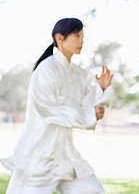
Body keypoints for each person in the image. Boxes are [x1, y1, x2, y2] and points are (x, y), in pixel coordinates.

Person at [1, 18, 114, 194]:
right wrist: (90, 114)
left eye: (83, 36)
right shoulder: (45, 70)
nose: (82, 41)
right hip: (39, 159)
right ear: (59, 38)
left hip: (66, 158)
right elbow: (53, 111)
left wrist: (101, 90)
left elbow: (90, 101)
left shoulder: (78, 73)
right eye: (77, 35)